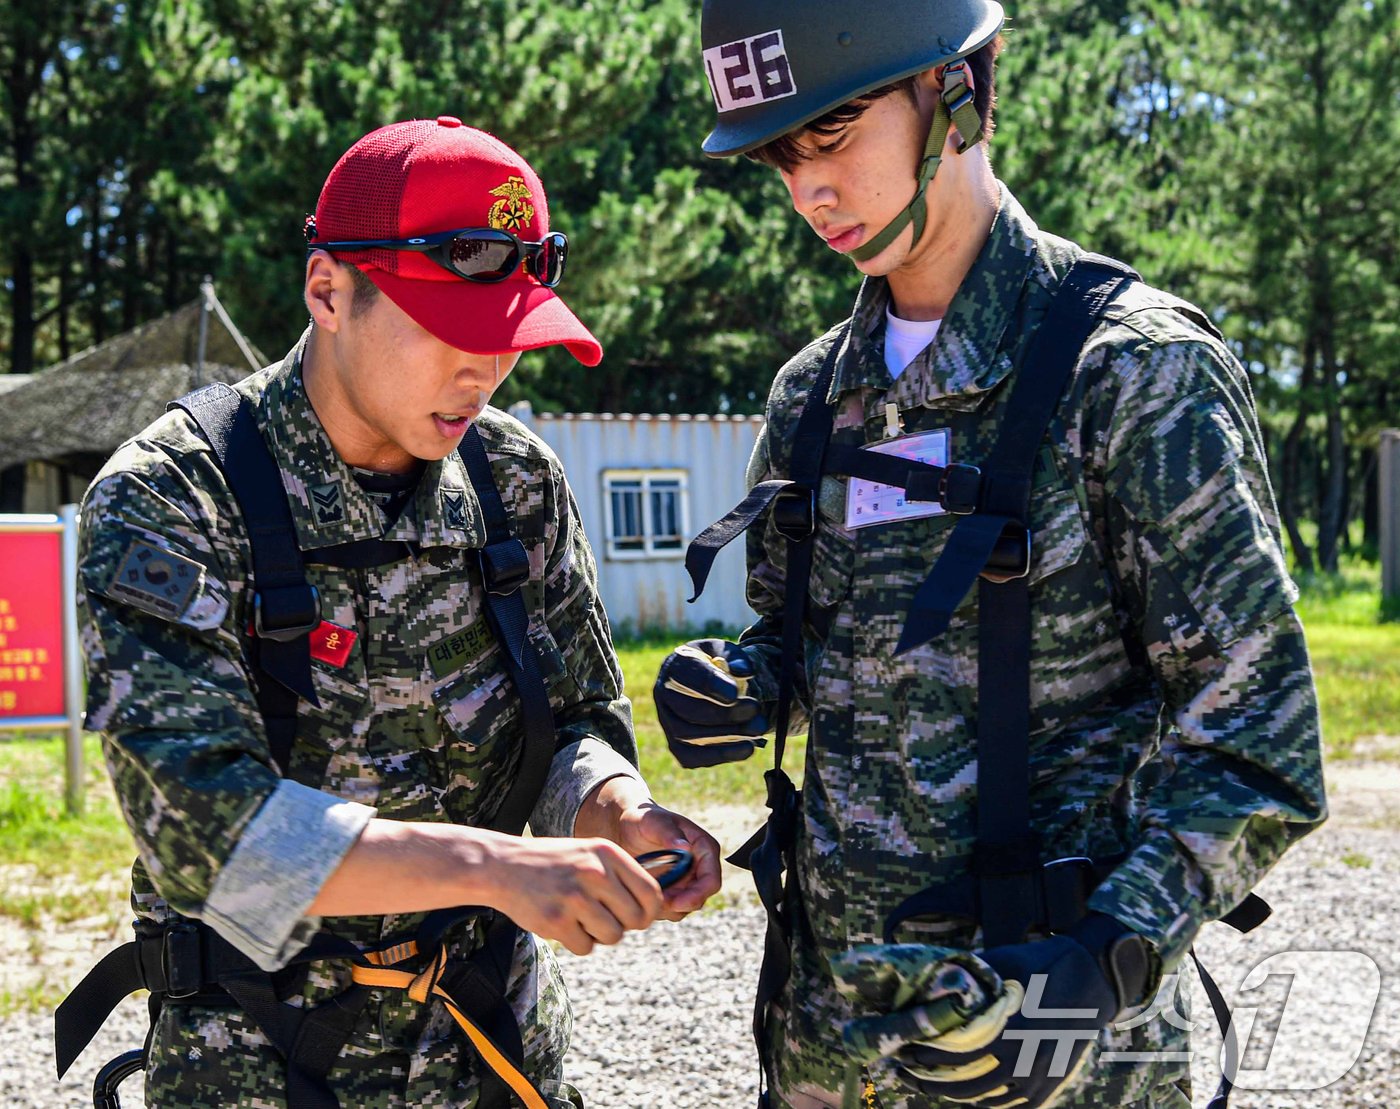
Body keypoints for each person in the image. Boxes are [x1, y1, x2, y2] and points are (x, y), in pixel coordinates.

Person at [654, 4, 1326, 1108]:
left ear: (960, 92)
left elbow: (1259, 736)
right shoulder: (811, 395)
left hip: (1049, 1046)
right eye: (780, 155)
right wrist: (748, 679)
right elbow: (802, 635)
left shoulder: (1129, 372)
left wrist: (1099, 968)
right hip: (828, 1039)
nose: (804, 190)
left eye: (829, 135)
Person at [62, 116, 721, 1109]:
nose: (484, 368)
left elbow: (576, 717)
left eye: (508, 335)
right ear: (328, 290)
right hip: (262, 1067)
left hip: (492, 1057)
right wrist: (494, 867)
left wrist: (617, 809)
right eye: (453, 330)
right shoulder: (176, 495)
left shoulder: (513, 480)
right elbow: (215, 837)